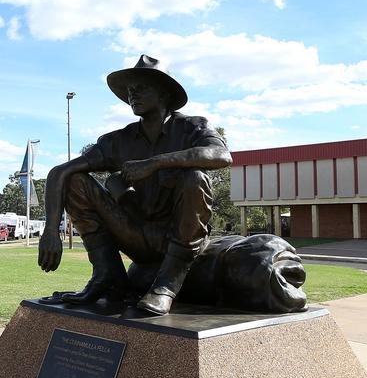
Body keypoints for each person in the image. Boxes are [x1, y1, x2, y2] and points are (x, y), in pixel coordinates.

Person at [37, 55, 231, 315]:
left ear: (163, 93)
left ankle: (165, 287)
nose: (132, 94)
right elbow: (60, 171)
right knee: (75, 180)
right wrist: (51, 230)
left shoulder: (191, 127)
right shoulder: (120, 140)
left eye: (141, 88)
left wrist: (155, 163)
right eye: (130, 90)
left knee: (194, 177)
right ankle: (107, 277)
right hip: (136, 232)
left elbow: (221, 156)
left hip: (178, 236)